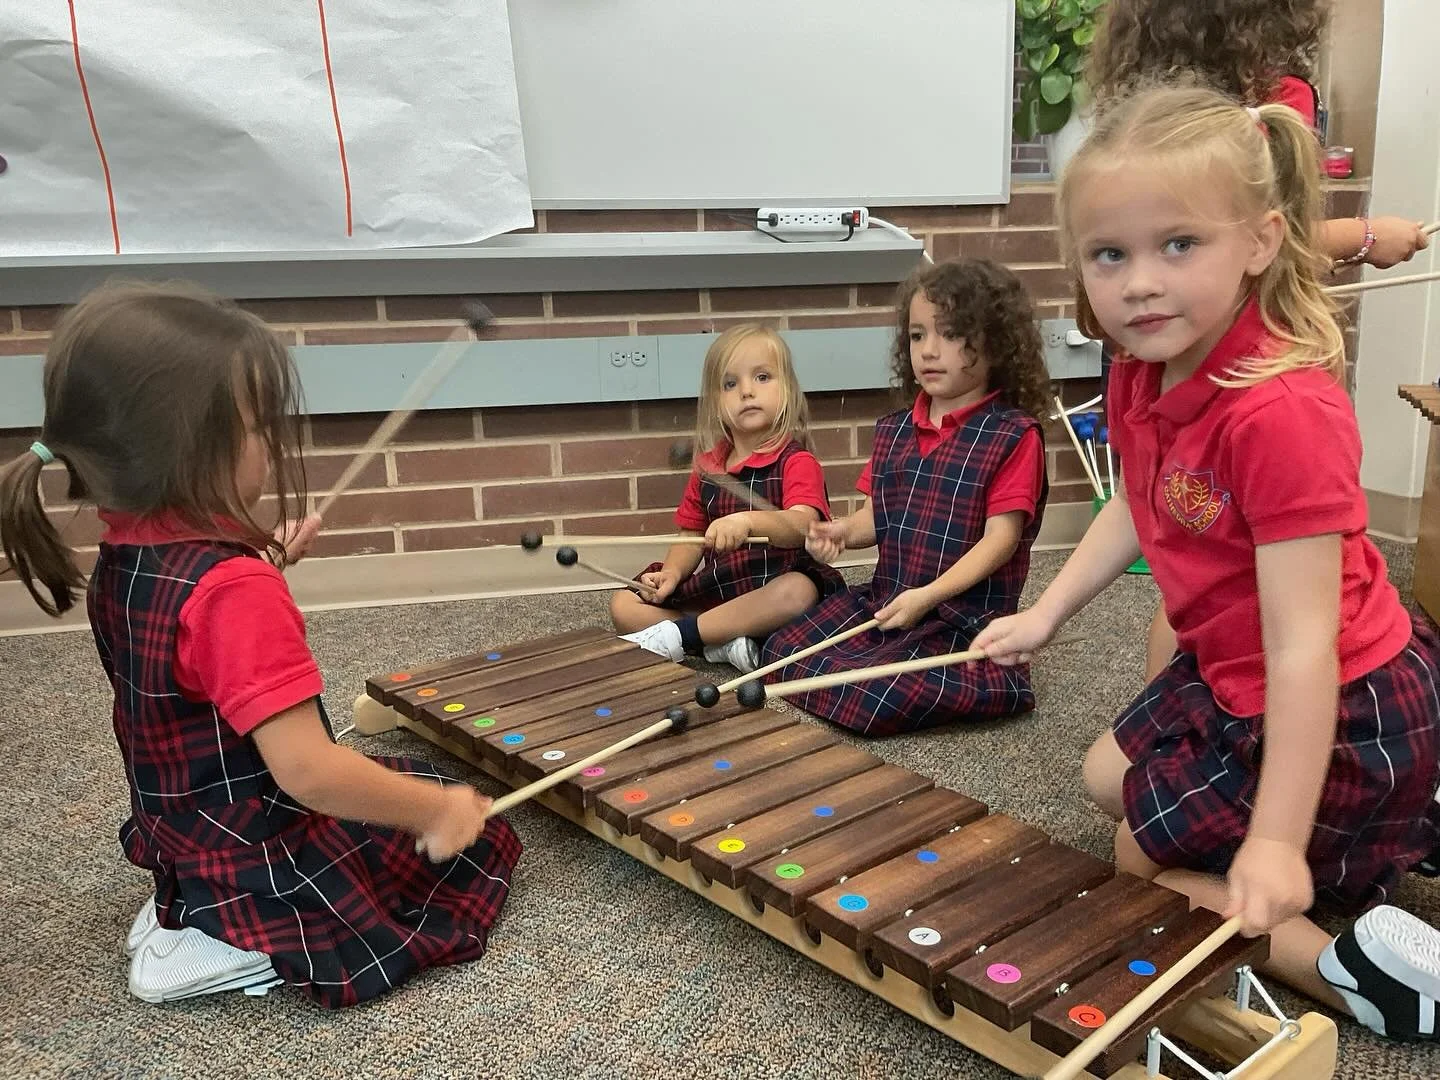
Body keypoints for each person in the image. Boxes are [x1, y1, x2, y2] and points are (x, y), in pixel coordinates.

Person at [973, 85, 1440, 1039]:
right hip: (1234, 672)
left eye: (1178, 244)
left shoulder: (1279, 414)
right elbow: (1138, 505)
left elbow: (1305, 647)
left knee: (1136, 861)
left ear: (1262, 242)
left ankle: (1350, 968)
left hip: (1341, 699)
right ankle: (1400, 819)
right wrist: (1047, 613)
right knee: (1105, 777)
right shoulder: (1141, 365)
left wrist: (1274, 842)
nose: (1140, 283)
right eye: (1110, 254)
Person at [0, 283, 521, 1009]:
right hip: (261, 838)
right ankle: (234, 940)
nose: (271, 443)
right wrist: (432, 813)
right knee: (471, 841)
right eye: (256, 426)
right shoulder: (234, 591)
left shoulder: (123, 551)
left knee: (408, 782)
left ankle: (195, 904)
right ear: (192, 449)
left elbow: (191, 643)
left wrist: (261, 559)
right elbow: (309, 772)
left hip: (181, 820)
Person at [1088, 0, 1432, 681]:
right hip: (1222, 354)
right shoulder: (1272, 103)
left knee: (1227, 572)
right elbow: (1269, 240)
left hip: (1230, 368)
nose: (1142, 279)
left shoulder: (1162, 99)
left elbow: (1248, 238)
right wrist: (1367, 236)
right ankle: (1181, 716)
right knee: (1206, 567)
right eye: (1109, 255)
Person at [757, 259, 1051, 736]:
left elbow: (1001, 542)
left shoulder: (1014, 436)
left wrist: (929, 596)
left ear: (996, 342)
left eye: (950, 333)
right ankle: (857, 666)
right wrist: (840, 532)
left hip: (961, 620)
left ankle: (963, 679)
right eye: (917, 335)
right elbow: (876, 515)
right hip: (890, 599)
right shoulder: (894, 430)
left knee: (878, 696)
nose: (929, 350)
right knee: (781, 648)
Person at [613, 324, 844, 673]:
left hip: (772, 590)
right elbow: (690, 536)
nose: (747, 391)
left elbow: (803, 524)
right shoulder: (708, 469)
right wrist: (672, 572)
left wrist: (748, 521)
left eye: (762, 377)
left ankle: (691, 636)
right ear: (716, 403)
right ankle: (720, 642)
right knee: (623, 604)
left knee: (798, 591)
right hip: (721, 590)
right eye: (730, 384)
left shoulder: (797, 462)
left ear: (788, 389)